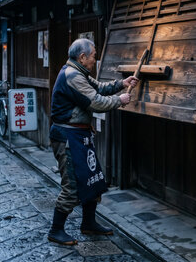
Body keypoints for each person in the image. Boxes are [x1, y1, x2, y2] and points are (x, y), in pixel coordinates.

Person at [48, 38, 138, 246]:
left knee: (93, 181)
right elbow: (96, 102)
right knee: (71, 185)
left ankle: (88, 223)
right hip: (68, 138)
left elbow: (99, 88)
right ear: (82, 57)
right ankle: (56, 230)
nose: (94, 60)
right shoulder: (73, 76)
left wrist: (121, 84)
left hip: (80, 136)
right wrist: (120, 100)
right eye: (93, 56)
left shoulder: (79, 72)